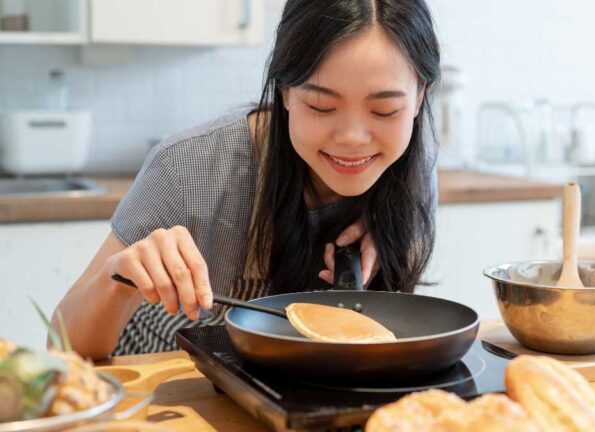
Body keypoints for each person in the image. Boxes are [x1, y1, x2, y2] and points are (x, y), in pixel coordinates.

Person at [53, 0, 441, 360]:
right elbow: (60, 344)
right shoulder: (191, 169)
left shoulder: (407, 170)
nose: (353, 138)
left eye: (385, 111)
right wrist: (120, 282)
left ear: (420, 96)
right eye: (322, 106)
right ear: (285, 91)